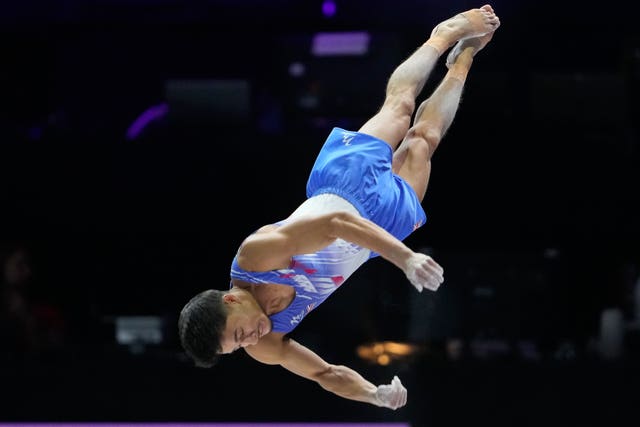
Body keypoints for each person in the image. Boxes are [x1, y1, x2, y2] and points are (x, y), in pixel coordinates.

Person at [179, 4, 501, 410]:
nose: (252, 341)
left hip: (344, 187)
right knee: (424, 139)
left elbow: (335, 223)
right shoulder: (266, 344)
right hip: (378, 233)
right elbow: (323, 374)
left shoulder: (255, 257)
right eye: (239, 348)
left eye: (240, 334)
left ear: (230, 300)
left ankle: (440, 36)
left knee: (399, 107)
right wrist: (374, 394)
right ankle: (463, 60)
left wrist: (404, 259)